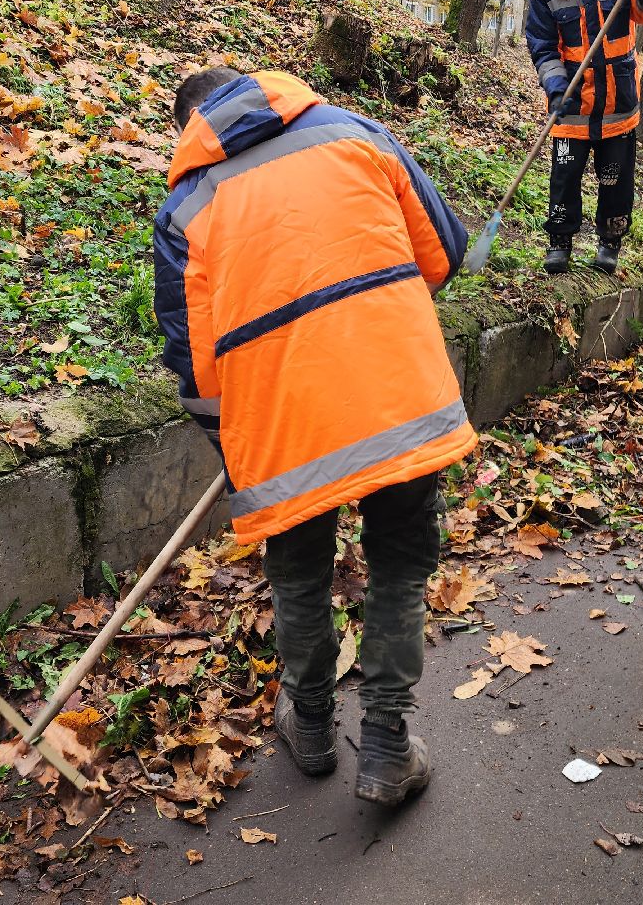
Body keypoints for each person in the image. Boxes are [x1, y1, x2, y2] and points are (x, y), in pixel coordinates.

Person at [153, 67, 477, 807]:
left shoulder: (188, 205)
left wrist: (233, 444)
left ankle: (309, 728)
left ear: (191, 127)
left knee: (298, 574)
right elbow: (443, 252)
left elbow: (193, 363)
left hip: (284, 422)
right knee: (399, 566)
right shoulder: (356, 134)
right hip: (397, 397)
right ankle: (388, 747)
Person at [525, 0, 643, 275]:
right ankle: (559, 243)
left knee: (615, 180)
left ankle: (609, 243)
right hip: (571, 103)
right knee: (564, 178)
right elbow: (542, 47)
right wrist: (556, 88)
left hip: (618, 103)